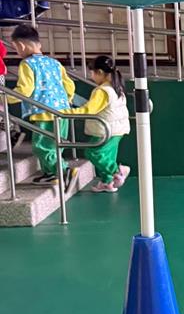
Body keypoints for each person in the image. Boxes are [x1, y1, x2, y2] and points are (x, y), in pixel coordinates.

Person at [8, 23, 77, 190]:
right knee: (54, 145)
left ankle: (65, 171)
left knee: (42, 147)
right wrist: (65, 100)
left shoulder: (27, 64)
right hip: (62, 111)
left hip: (44, 113)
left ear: (21, 45)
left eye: (16, 48)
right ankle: (51, 173)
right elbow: (69, 85)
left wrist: (5, 98)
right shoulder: (54, 63)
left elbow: (25, 90)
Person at [64, 54, 131, 193]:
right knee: (108, 156)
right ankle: (107, 182)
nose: (91, 76)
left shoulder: (102, 91)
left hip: (106, 130)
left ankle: (117, 171)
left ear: (99, 72)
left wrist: (68, 112)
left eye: (92, 72)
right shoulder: (116, 87)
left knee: (92, 152)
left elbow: (90, 109)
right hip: (117, 129)